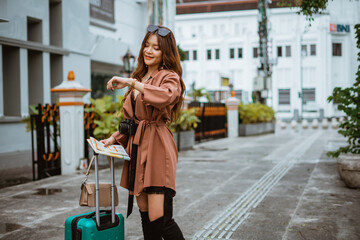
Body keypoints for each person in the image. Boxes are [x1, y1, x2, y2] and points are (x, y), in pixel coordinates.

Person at [100, 25, 185, 240]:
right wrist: (112, 139)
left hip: (157, 148)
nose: (148, 50)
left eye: (156, 48)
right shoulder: (140, 77)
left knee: (161, 219)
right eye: (146, 45)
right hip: (138, 150)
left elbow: (166, 96)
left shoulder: (169, 77)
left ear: (165, 52)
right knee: (146, 217)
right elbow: (131, 121)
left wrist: (131, 82)